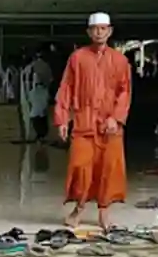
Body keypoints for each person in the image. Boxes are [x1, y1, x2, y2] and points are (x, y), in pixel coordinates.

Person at [54, 12, 132, 230]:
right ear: (89, 32)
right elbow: (66, 88)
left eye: (103, 28)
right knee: (80, 166)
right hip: (83, 123)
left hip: (110, 126)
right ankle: (79, 207)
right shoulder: (77, 58)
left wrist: (116, 118)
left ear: (110, 31)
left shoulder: (120, 60)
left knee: (108, 168)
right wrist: (62, 119)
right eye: (95, 29)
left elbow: (125, 92)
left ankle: (104, 211)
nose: (99, 32)